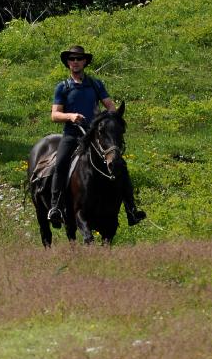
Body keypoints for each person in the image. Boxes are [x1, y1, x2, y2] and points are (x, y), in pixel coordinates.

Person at [49, 45, 146, 228]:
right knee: (60, 164)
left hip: (95, 137)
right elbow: (54, 115)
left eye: (79, 59)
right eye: (72, 59)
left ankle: (131, 209)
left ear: (85, 62)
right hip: (72, 134)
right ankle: (55, 207)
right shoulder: (63, 87)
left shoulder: (96, 84)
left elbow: (110, 107)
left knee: (121, 165)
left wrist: (108, 119)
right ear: (68, 63)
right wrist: (70, 116)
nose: (75, 62)